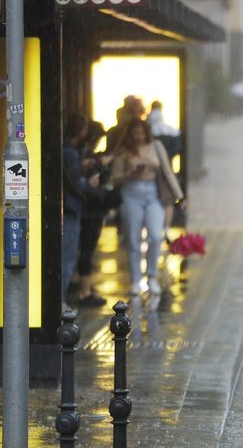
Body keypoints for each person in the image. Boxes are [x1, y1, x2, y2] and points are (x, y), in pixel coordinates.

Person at [110, 118, 184, 296]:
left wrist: (179, 195)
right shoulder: (124, 151)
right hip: (131, 193)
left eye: (142, 133)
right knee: (133, 239)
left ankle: (152, 276)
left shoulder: (156, 146)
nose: (139, 137)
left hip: (153, 194)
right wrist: (131, 174)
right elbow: (115, 178)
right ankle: (136, 279)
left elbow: (167, 171)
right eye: (135, 134)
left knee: (155, 236)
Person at [61, 114, 100, 311]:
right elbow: (75, 184)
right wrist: (90, 183)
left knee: (67, 253)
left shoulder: (67, 151)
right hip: (71, 207)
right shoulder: (70, 152)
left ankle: (61, 298)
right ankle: (60, 300)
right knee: (67, 254)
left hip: (67, 207)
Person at [74, 120, 113, 307]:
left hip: (89, 208)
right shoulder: (83, 156)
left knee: (84, 250)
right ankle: (84, 291)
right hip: (90, 208)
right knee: (86, 250)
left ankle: (84, 287)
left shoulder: (81, 155)